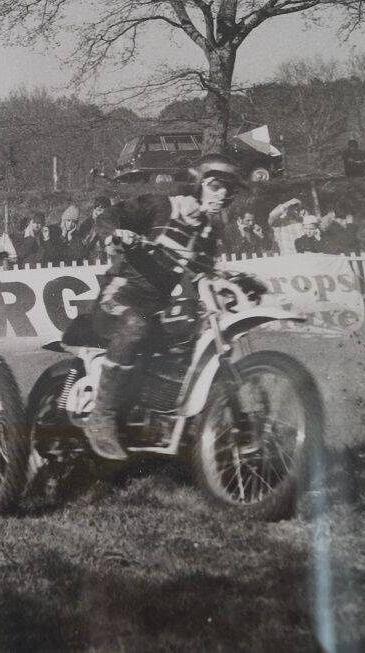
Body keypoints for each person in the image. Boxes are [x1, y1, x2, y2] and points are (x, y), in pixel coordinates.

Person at [83, 153, 248, 460]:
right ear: (199, 184)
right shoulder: (162, 206)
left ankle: (173, 422)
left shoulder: (207, 234)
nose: (222, 194)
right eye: (215, 185)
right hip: (118, 299)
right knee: (136, 324)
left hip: (156, 307)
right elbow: (108, 217)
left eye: (229, 189)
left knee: (189, 340)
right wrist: (117, 235)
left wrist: (221, 290)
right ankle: (100, 417)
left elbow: (202, 276)